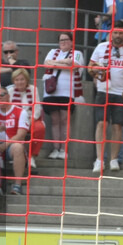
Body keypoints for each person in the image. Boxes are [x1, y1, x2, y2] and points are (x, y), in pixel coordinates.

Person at [88, 20, 123, 173]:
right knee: (101, 124)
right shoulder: (100, 47)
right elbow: (90, 66)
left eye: (120, 32)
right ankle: (99, 160)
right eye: (115, 32)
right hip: (103, 90)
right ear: (111, 33)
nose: (118, 35)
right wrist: (96, 71)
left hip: (122, 93)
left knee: (118, 126)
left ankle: (113, 159)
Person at [41, 31, 85, 160]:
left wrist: (59, 63)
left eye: (66, 39)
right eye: (61, 40)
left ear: (71, 41)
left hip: (68, 91)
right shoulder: (52, 51)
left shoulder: (77, 53)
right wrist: (64, 62)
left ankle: (64, 150)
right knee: (55, 120)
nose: (64, 42)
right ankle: (56, 148)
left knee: (65, 120)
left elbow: (74, 66)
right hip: (51, 91)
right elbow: (46, 63)